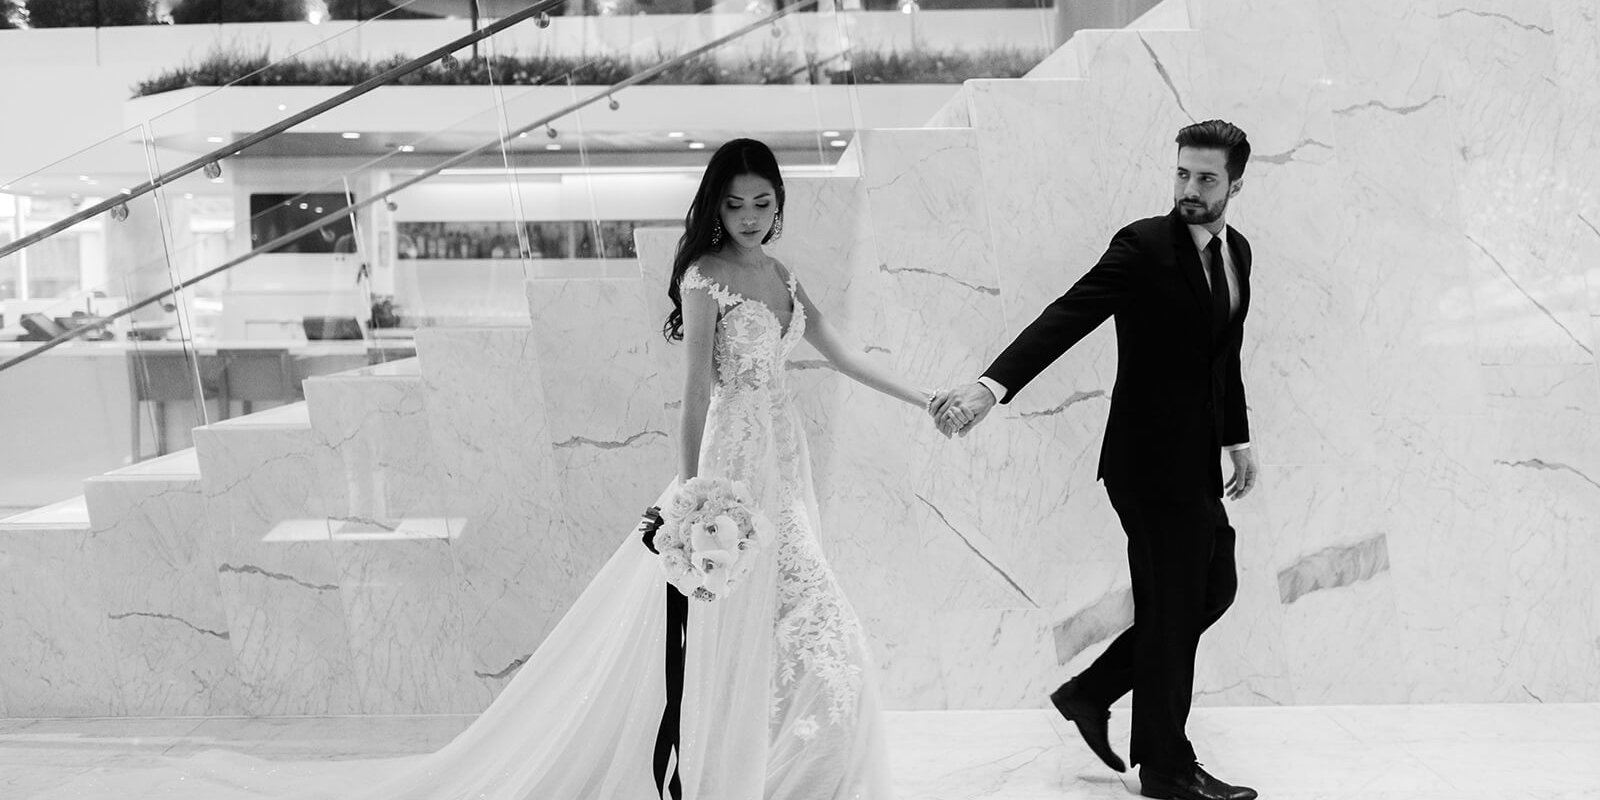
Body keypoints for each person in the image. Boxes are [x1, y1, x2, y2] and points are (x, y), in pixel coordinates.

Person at [33, 137, 932, 800]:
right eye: (736, 204)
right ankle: (745, 774)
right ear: (716, 206)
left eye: (762, 202)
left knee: (807, 618)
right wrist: (694, 493)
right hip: (731, 475)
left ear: (778, 205)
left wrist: (929, 398)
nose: (750, 215)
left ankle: (792, 766)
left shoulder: (783, 276)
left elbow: (845, 357)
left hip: (787, 472)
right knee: (739, 625)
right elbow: (692, 397)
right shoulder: (706, 279)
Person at [933, 120, 1262, 800]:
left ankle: (1092, 692)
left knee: (1212, 590)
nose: (1190, 189)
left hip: (1196, 462)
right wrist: (990, 386)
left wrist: (1237, 437)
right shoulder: (1145, 245)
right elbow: (1069, 313)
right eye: (1182, 174)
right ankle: (1167, 768)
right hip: (1145, 464)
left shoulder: (1238, 254)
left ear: (1235, 183)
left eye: (1206, 178)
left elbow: (1220, 356)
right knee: (1175, 606)